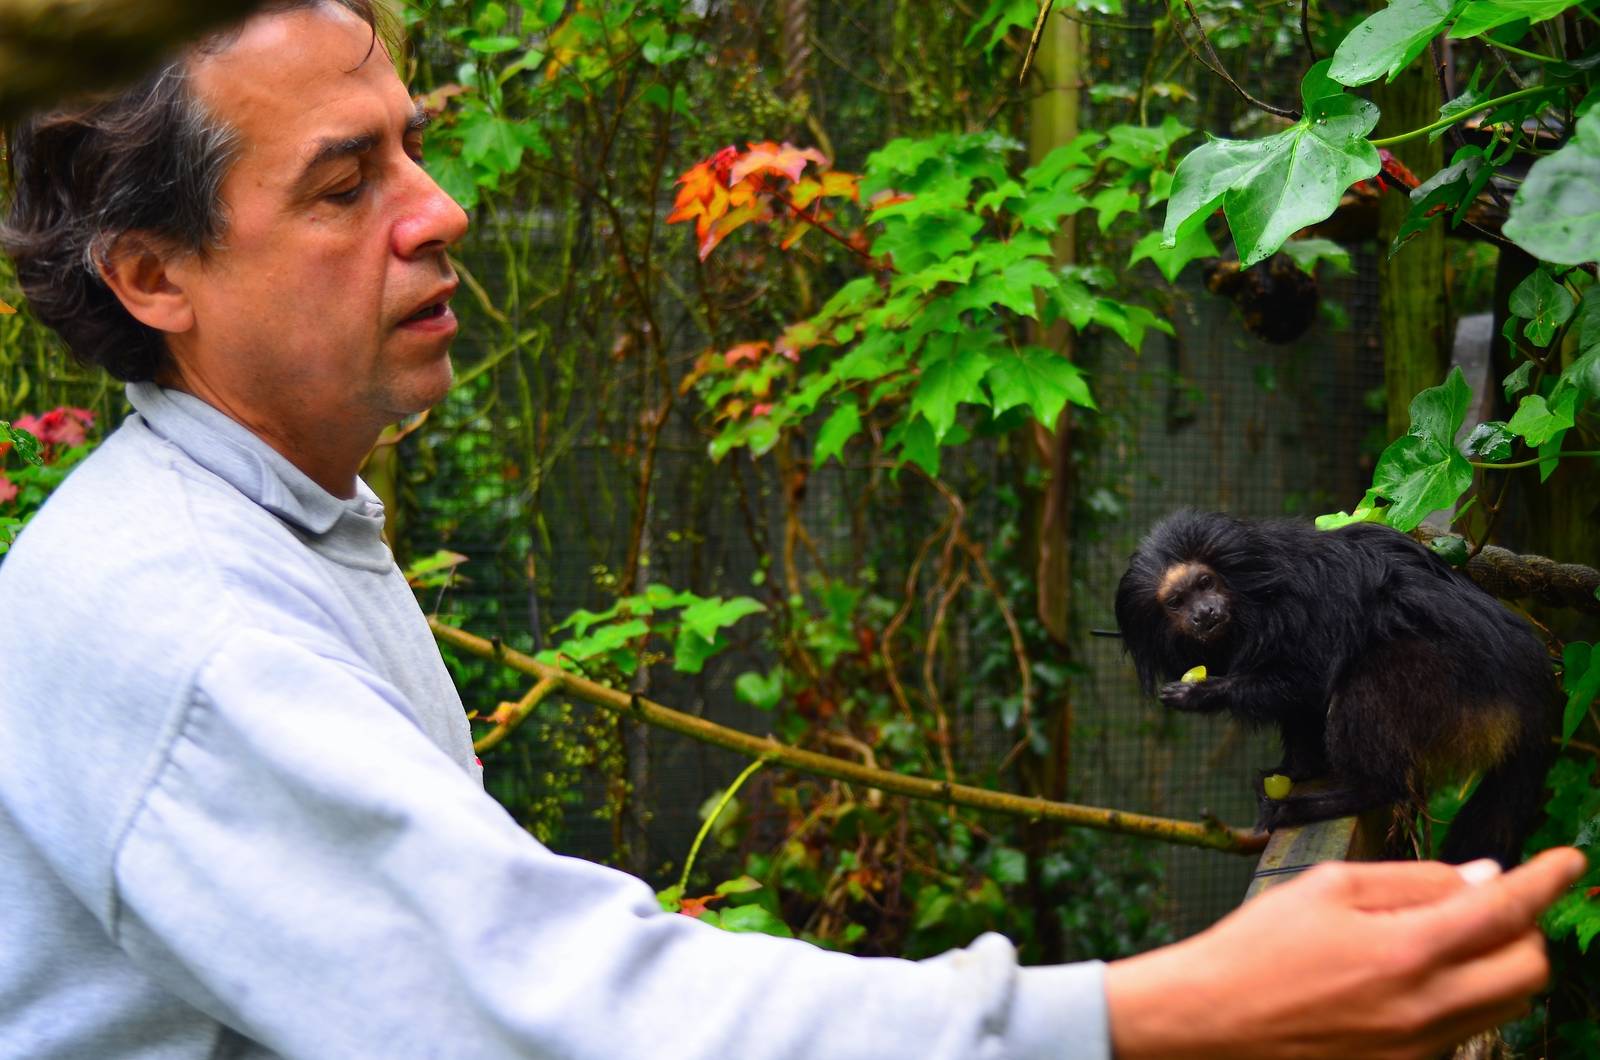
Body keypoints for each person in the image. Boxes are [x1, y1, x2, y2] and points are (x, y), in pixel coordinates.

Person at [0, 2, 1584, 1057]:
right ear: (155, 277)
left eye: (412, 143)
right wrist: (1149, 1010)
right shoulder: (184, 621)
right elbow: (542, 1017)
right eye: (346, 184)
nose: (442, 207)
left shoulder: (280, 522)